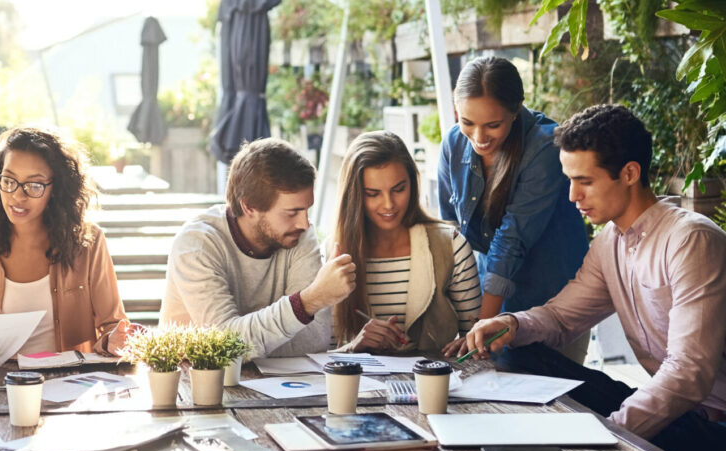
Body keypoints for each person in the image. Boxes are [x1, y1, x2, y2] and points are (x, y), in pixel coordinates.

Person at [463, 105, 726, 451]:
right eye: (569, 180)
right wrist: (509, 322)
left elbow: (689, 374)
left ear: (630, 173)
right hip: (671, 415)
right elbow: (559, 318)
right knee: (521, 350)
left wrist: (609, 432)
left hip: (712, 428)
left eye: (584, 181)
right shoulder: (610, 242)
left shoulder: (689, 241)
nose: (572, 196)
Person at [438, 55, 590, 362]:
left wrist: (480, 328)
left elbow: (510, 242)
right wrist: (467, 321)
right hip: (488, 298)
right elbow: (448, 232)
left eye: (493, 125)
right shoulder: (453, 143)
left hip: (553, 303)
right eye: (467, 122)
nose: (479, 138)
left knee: (557, 401)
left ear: (516, 108)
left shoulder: (546, 146)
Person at [161, 138, 355, 358]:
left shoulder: (299, 234)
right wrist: (309, 301)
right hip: (193, 386)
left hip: (282, 387)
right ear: (249, 207)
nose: (305, 223)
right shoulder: (196, 245)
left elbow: (312, 341)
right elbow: (225, 347)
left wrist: (250, 341)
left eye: (307, 210)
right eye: (292, 212)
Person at [0, 127, 134, 355]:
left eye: (34, 185)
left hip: (71, 382)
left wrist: (114, 341)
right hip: (2, 384)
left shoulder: (89, 242)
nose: (18, 196)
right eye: (9, 180)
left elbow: (113, 325)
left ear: (56, 189)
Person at [331, 131, 480, 355]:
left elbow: (476, 340)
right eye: (373, 194)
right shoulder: (335, 253)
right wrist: (355, 346)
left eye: (399, 189)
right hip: (359, 386)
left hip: (435, 383)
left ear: (413, 182)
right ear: (354, 196)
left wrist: (470, 345)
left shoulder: (451, 246)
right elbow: (324, 356)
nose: (389, 204)